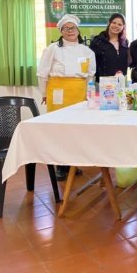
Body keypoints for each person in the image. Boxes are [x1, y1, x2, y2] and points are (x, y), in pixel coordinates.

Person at [37, 14, 96, 180]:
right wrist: (43, 92)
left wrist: (89, 95)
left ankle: (72, 164)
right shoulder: (53, 49)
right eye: (66, 28)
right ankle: (61, 166)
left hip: (79, 92)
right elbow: (42, 73)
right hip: (58, 92)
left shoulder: (87, 51)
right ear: (61, 31)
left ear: (78, 30)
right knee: (59, 128)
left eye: (73, 28)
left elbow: (90, 76)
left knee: (76, 129)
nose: (70, 31)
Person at [89, 13, 129, 82]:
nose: (116, 26)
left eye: (120, 24)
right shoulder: (97, 42)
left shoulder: (125, 42)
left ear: (123, 27)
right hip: (103, 84)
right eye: (114, 23)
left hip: (120, 82)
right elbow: (90, 64)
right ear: (109, 23)